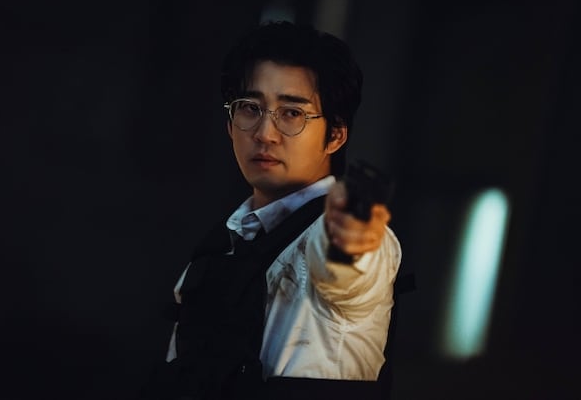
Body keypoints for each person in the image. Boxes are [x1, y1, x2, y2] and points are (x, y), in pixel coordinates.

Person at [141, 20, 402, 400]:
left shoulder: (340, 237)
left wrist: (349, 241)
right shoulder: (220, 248)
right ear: (230, 124)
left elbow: (345, 270)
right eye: (250, 108)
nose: (264, 133)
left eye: (292, 113)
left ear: (335, 135)